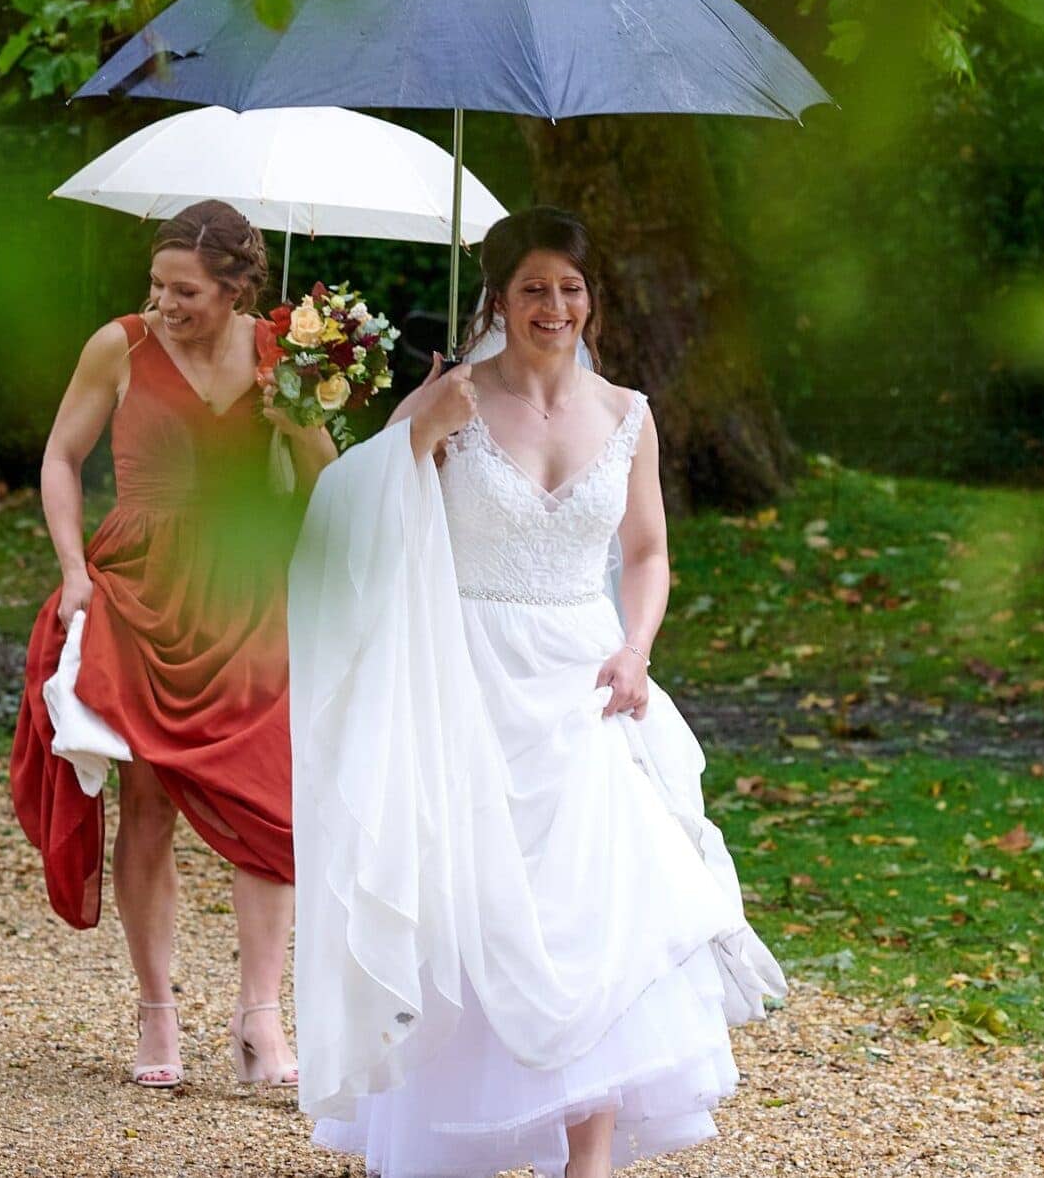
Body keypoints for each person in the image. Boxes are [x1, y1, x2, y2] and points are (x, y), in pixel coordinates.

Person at [290, 207, 785, 1178]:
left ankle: (585, 1163)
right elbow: (349, 522)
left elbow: (643, 552)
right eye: (531, 288)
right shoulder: (450, 401)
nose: (552, 306)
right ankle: (454, 1132)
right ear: (498, 298)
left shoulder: (628, 413)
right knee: (469, 910)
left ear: (588, 299)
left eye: (568, 288)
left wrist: (635, 647)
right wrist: (408, 443)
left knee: (601, 912)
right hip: (461, 678)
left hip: (587, 683)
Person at [13, 200, 337, 1088]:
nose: (164, 304)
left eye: (185, 290)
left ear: (237, 288)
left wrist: (291, 418)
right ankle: (157, 1013)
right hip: (141, 588)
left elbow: (327, 485)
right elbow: (58, 458)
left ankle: (260, 1019)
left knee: (271, 805)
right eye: (156, 285)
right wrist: (74, 568)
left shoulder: (286, 355)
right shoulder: (116, 346)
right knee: (147, 802)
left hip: (249, 591)